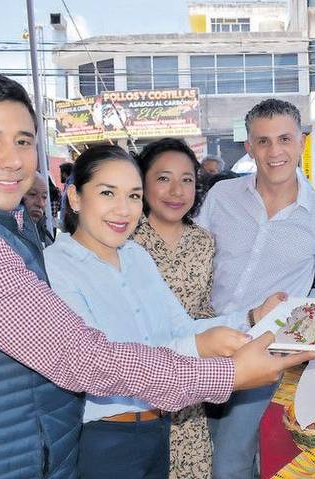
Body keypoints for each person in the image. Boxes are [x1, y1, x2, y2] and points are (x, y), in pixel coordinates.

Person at [0, 70, 314, 479]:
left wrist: (247, 320)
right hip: (39, 448)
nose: (13, 159)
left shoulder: (122, 253)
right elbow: (84, 358)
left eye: (23, 141)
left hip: (70, 440)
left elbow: (174, 329)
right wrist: (227, 375)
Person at [45, 144, 289, 479]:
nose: (123, 209)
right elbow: (103, 361)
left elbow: (180, 327)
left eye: (133, 196)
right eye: (107, 193)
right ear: (75, 197)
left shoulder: (136, 257)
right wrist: (202, 348)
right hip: (102, 438)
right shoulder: (55, 267)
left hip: (156, 428)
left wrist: (253, 317)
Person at [198, 98, 315, 479]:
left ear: (301, 142)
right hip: (203, 343)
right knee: (197, 452)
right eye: (262, 141)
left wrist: (296, 358)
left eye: (284, 139)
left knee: (230, 464)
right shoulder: (221, 197)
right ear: (248, 147)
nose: (274, 151)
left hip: (264, 357)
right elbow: (194, 261)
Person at [132, 138, 219, 479]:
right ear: (142, 182)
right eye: (163, 178)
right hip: (135, 387)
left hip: (190, 390)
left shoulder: (203, 242)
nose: (176, 191)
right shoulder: (124, 238)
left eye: (186, 180)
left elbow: (203, 308)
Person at [22, 172, 55, 247]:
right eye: (32, 194)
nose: (41, 204)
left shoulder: (44, 233)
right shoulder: (2, 236)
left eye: (44, 197)